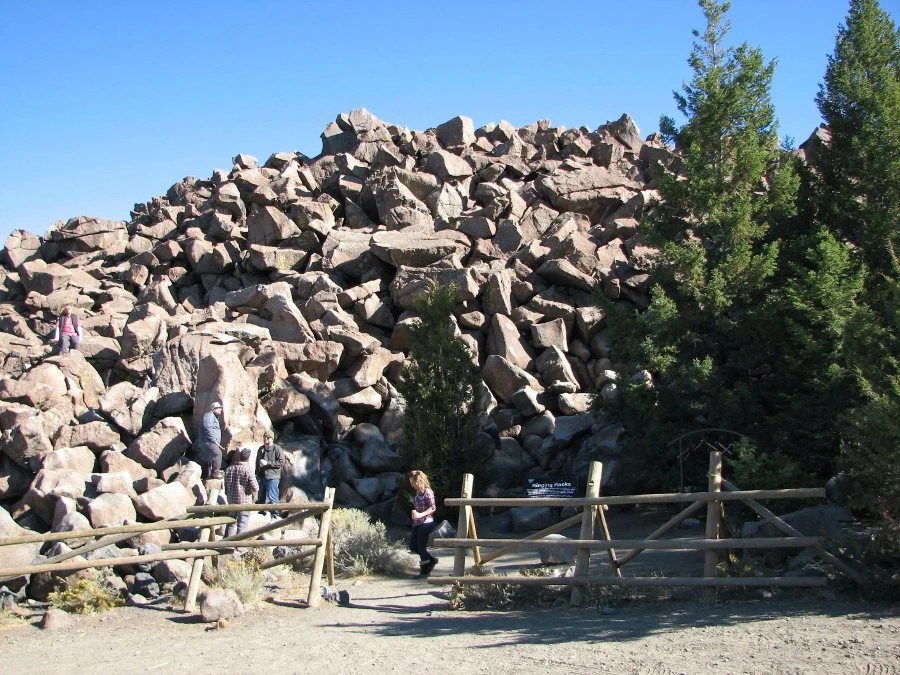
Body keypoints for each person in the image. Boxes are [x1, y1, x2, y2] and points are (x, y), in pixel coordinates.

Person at [408, 470, 439, 578]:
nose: (412, 484)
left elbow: (433, 508)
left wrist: (420, 514)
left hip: (426, 522)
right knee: (413, 546)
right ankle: (431, 560)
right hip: (418, 523)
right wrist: (415, 514)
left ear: (418, 481)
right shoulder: (418, 492)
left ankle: (425, 572)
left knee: (421, 547)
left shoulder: (428, 492)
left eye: (413, 482)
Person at [224, 447, 258, 537]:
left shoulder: (229, 469)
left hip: (231, 500)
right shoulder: (248, 470)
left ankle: (226, 542)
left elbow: (226, 487)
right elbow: (255, 487)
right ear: (248, 457)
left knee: (231, 522)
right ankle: (240, 543)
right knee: (242, 524)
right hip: (244, 501)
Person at [196, 401, 225, 479]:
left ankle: (208, 477)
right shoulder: (209, 415)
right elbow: (207, 428)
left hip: (210, 441)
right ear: (213, 409)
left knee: (210, 460)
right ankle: (215, 473)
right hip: (208, 441)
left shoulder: (213, 416)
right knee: (217, 454)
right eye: (219, 408)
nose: (221, 409)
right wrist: (213, 440)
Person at [255, 432, 284, 509]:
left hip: (272, 477)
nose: (266, 439)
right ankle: (261, 512)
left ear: (272, 439)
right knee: (261, 497)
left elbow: (281, 462)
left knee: (273, 498)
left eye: (268, 437)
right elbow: (257, 462)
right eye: (264, 437)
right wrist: (257, 474)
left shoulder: (277, 449)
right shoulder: (261, 449)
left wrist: (267, 463)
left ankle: (275, 514)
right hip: (261, 477)